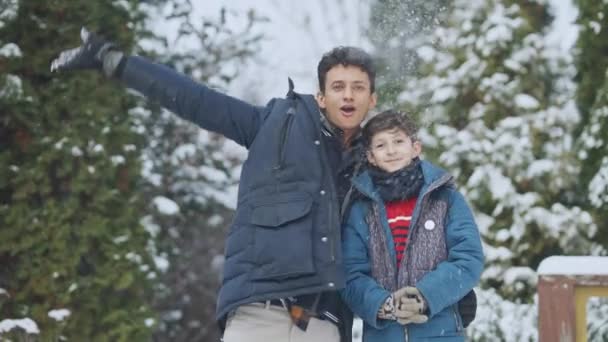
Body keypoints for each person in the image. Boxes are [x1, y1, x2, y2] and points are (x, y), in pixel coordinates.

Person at [50, 27, 378, 342]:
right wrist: (116, 62)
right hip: (259, 311)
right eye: (338, 86)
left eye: (358, 87)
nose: (348, 95)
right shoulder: (274, 124)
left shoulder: (377, 162)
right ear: (321, 96)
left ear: (372, 99)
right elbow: (196, 100)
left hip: (324, 324)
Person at [340, 110, 484, 341]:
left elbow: (468, 259)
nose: (391, 150)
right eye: (381, 145)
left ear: (415, 147)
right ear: (370, 156)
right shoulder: (362, 210)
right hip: (383, 335)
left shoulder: (445, 199)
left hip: (442, 332)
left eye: (398, 141)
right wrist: (384, 305)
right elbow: (350, 273)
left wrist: (424, 296)